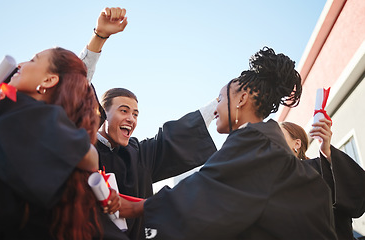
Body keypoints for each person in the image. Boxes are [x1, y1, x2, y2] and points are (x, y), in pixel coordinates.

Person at [119, 47, 338, 240]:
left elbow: (202, 194)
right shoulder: (268, 144)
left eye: (221, 99)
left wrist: (133, 207)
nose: (216, 109)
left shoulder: (256, 142)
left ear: (241, 99)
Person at [78, 7, 218, 240]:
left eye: (135, 114)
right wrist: (99, 36)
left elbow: (181, 132)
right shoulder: (82, 144)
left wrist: (223, 101)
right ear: (102, 113)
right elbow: (77, 87)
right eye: (124, 111)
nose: (131, 119)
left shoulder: (139, 154)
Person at [0, 47, 125, 240]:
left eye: (33, 60)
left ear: (48, 80)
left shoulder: (29, 115)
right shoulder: (13, 114)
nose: (20, 65)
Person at [280, 120, 365, 240]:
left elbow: (358, 196)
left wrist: (328, 153)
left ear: (297, 144)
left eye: (277, 135)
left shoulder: (318, 167)